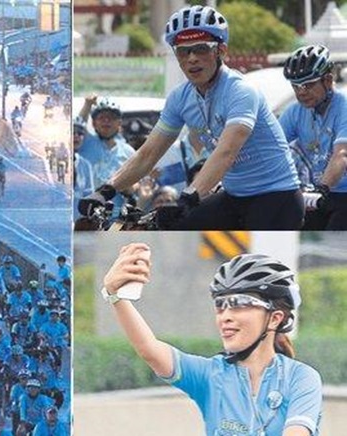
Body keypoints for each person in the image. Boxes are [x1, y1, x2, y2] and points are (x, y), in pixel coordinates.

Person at [80, 5, 303, 230]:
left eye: (201, 49)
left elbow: (226, 153)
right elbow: (148, 154)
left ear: (221, 51)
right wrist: (105, 191)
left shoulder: (241, 91)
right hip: (235, 195)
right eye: (183, 51)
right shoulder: (180, 97)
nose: (192, 58)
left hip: (277, 195)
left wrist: (189, 197)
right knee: (174, 227)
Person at [101, 244, 322, 435]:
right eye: (220, 305)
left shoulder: (301, 378)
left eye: (239, 304)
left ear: (274, 319)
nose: (225, 317)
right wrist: (114, 295)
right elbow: (150, 349)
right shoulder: (211, 375)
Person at [279, 44, 347, 229]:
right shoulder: (294, 111)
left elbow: (342, 155)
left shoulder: (344, 106)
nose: (301, 92)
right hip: (317, 195)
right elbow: (270, 148)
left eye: (308, 85)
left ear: (328, 80)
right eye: (296, 86)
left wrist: (322, 188)